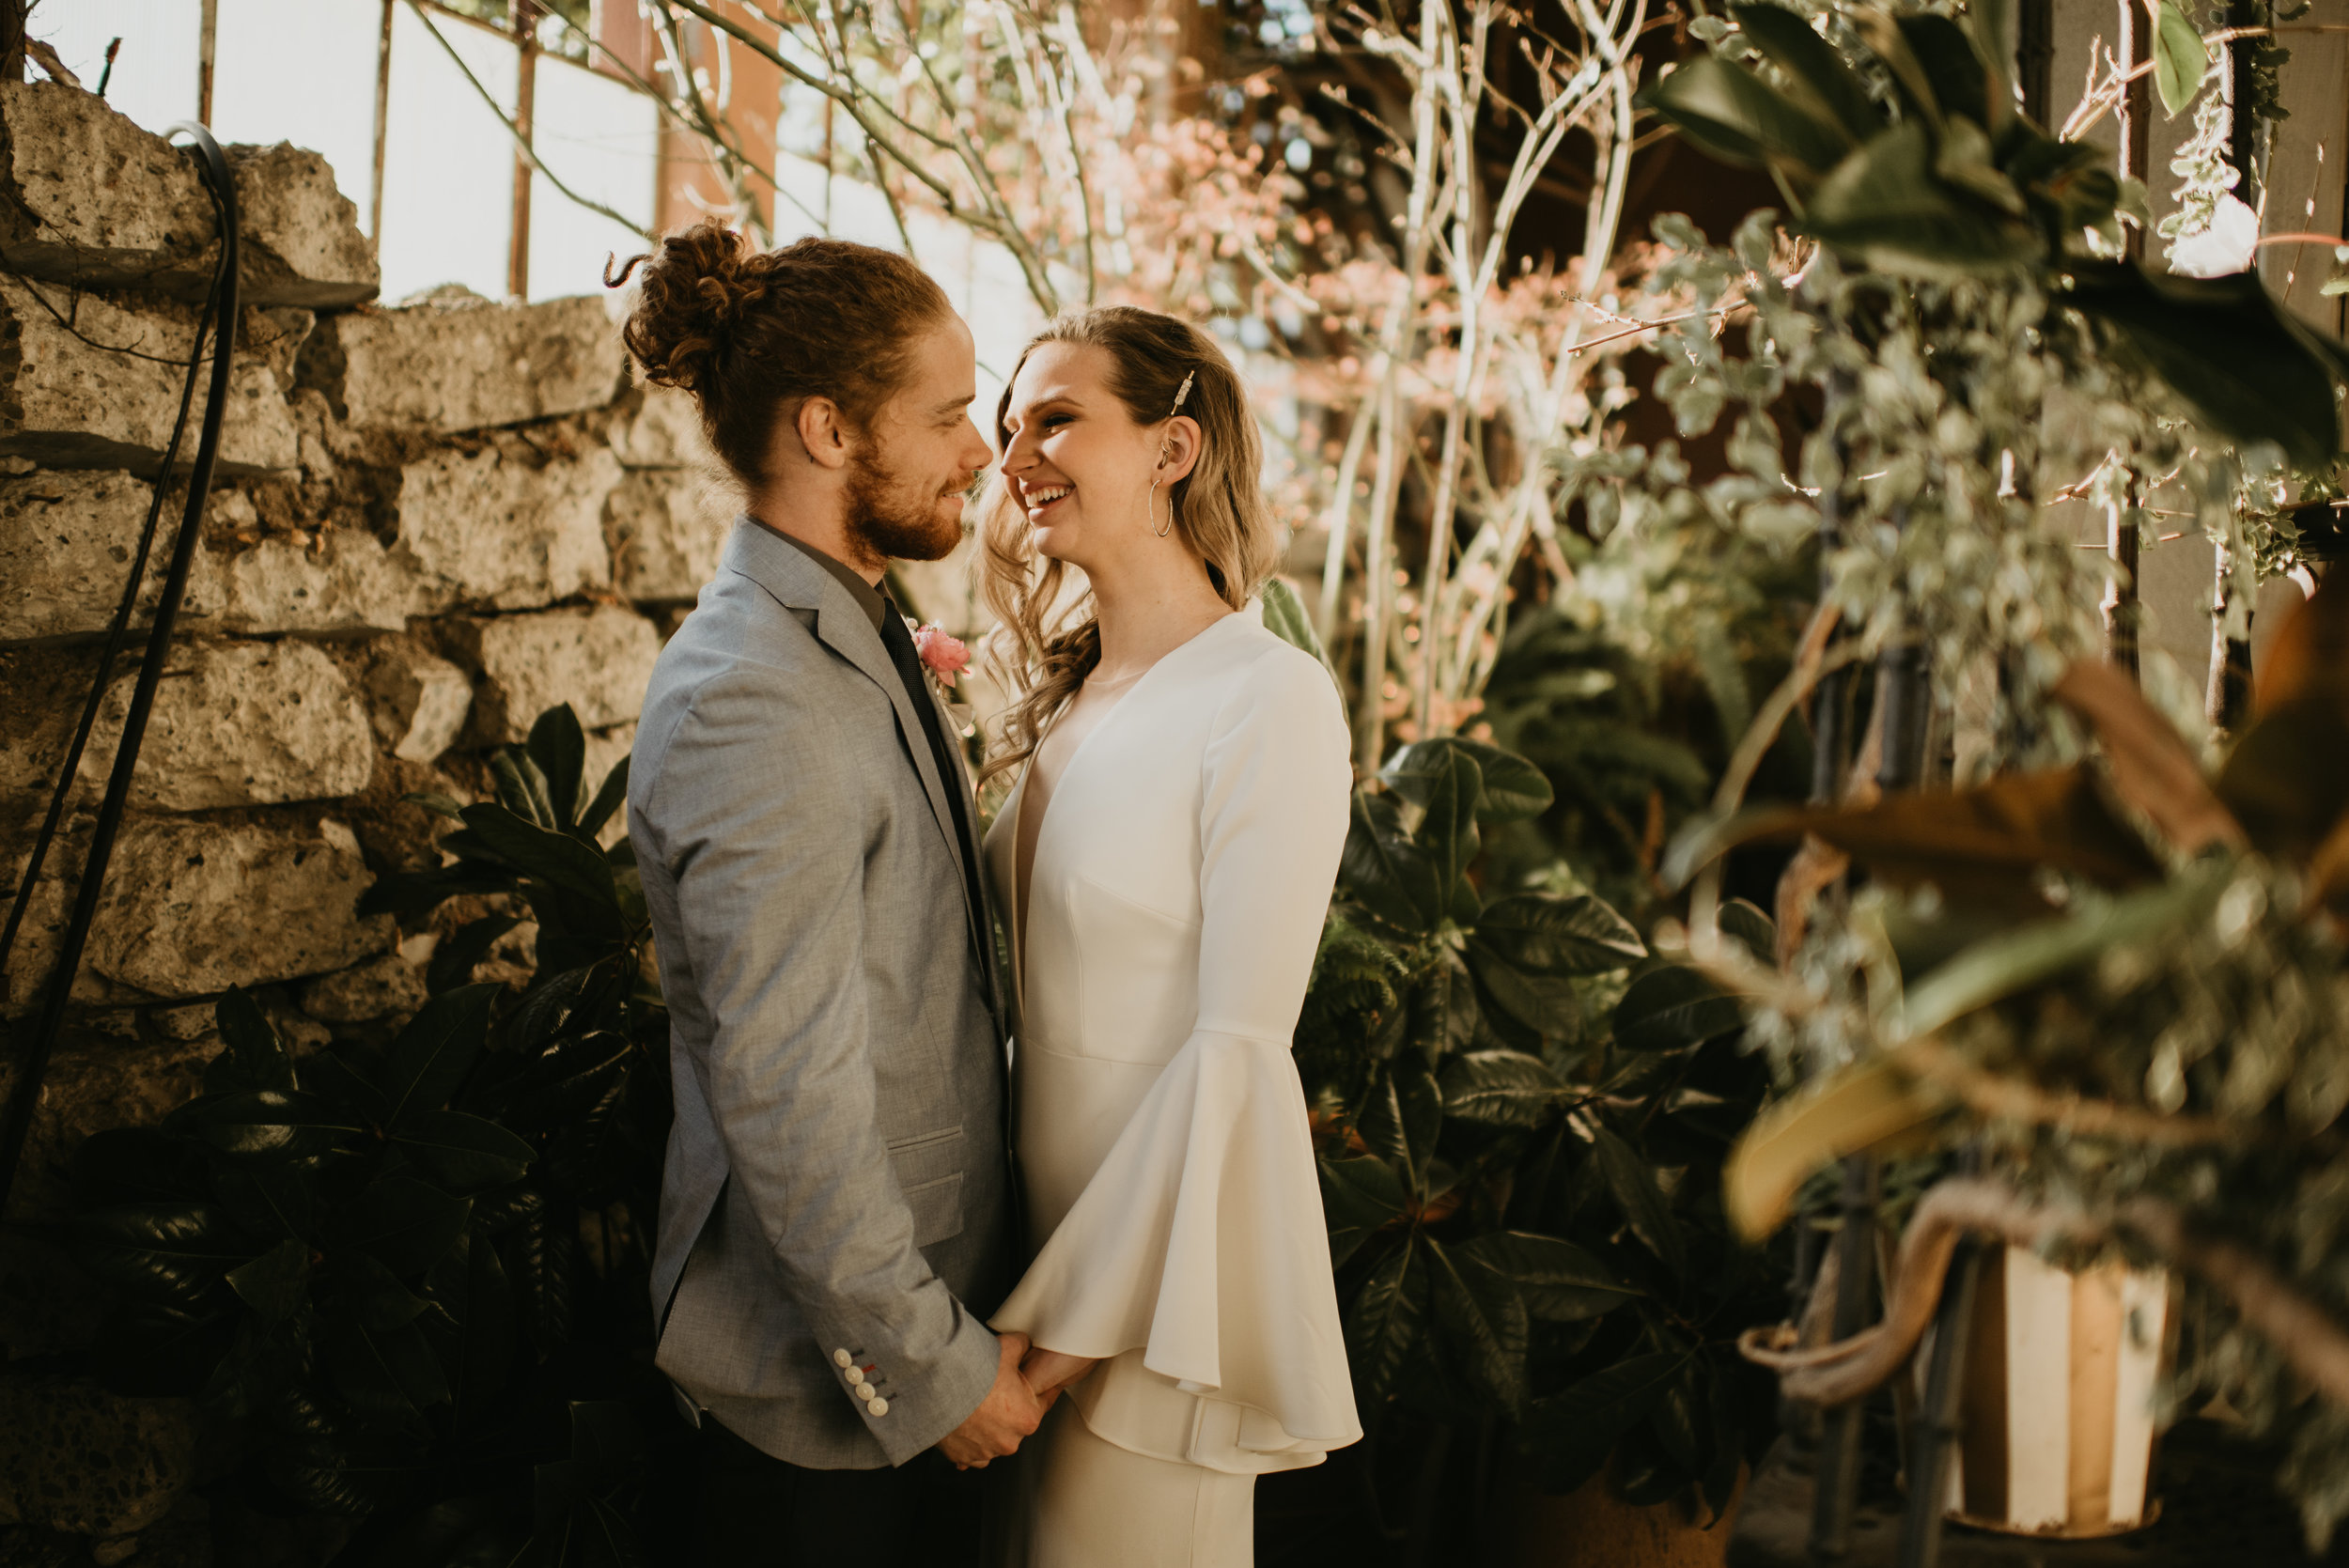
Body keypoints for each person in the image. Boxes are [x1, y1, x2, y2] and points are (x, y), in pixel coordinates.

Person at [614, 223, 1046, 1566]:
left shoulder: (851, 618)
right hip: (826, 1411)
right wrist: (928, 1366)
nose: (984, 450)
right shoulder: (754, 697)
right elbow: (785, 1087)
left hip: (934, 1322)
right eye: (951, 414)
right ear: (828, 429)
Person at [974, 306, 1363, 1567]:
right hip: (1010, 1276)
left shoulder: (1270, 701)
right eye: (1005, 424)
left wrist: (1068, 1338)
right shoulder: (1066, 701)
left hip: (1142, 1314)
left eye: (1056, 417)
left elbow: (1238, 1050)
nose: (1015, 450)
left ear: (1173, 447)